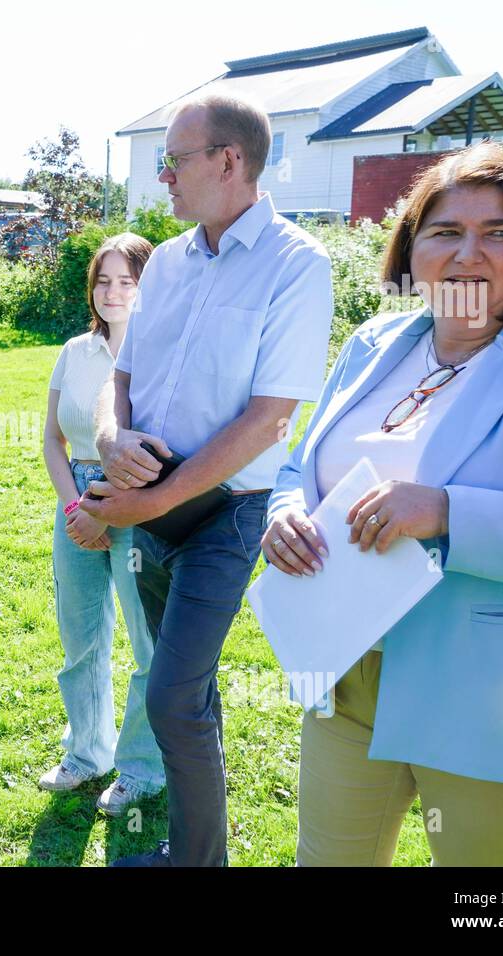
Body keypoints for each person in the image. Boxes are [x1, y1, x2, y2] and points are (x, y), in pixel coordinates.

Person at [261, 142, 503, 866]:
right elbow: (299, 466)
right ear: (412, 247)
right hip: (346, 672)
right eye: (445, 231)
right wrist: (283, 514)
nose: (470, 252)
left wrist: (447, 512)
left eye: (500, 232)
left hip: (498, 696)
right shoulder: (375, 343)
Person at [83, 92, 333, 866]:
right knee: (190, 693)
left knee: (169, 697)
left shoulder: (300, 266)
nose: (162, 176)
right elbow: (116, 376)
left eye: (174, 159)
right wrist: (111, 436)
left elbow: (266, 422)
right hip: (152, 507)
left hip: (226, 512)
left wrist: (142, 499)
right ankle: (197, 849)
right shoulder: (167, 261)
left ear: (229, 161)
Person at [40, 233, 165, 815]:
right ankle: (86, 752)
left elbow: (162, 447)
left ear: (148, 286)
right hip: (76, 508)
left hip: (138, 505)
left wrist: (103, 508)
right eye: (103, 280)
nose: (113, 292)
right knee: (80, 638)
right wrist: (76, 509)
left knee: (145, 642)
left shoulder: (162, 355)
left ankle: (142, 767)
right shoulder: (74, 351)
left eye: (127, 280)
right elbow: (53, 439)